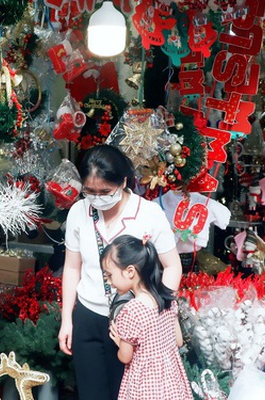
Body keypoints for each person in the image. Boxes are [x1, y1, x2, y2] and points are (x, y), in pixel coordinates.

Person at [58, 145, 182, 400]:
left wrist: (153, 310)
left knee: (127, 394)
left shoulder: (149, 214)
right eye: (89, 192)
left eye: (105, 191)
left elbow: (172, 266)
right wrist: (67, 320)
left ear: (123, 181)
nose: (97, 198)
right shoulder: (78, 213)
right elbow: (72, 267)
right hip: (88, 316)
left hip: (134, 322)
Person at [103, 235, 192, 400]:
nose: (109, 282)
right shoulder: (166, 298)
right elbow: (178, 342)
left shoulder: (132, 310)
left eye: (110, 275)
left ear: (130, 271)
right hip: (171, 383)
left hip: (145, 385)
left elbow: (125, 356)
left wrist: (119, 341)